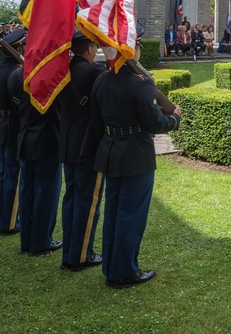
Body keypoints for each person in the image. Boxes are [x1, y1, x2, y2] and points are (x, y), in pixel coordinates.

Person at [89, 41, 180, 288]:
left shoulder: (101, 80)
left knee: (114, 213)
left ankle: (111, 266)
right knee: (131, 215)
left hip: (111, 152)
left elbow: (96, 122)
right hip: (135, 156)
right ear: (132, 52)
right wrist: (174, 118)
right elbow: (155, 124)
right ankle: (124, 271)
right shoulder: (140, 86)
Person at [57, 31, 107, 271]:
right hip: (88, 145)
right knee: (88, 202)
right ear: (88, 48)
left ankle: (70, 251)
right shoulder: (94, 72)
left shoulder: (63, 69)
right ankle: (81, 255)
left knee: (72, 199)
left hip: (68, 142)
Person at [8, 44, 62, 257]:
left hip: (25, 138)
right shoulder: (51, 74)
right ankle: (41, 241)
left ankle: (27, 239)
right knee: (46, 193)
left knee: (27, 191)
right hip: (47, 139)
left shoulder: (17, 74)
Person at [0, 29, 25, 236]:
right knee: (13, 175)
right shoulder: (17, 73)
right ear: (18, 48)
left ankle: (0, 216)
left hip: (0, 123)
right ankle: (8, 222)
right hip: (14, 125)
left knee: (3, 173)